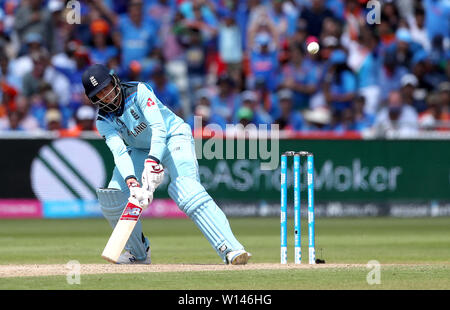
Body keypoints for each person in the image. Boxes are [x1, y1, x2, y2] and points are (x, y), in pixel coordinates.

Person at [81, 64, 251, 265]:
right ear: (94, 99)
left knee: (186, 189)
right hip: (139, 149)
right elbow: (119, 152)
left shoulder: (139, 91)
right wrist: (133, 184)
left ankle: (231, 249)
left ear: (114, 81)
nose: (106, 95)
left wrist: (152, 162)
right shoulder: (103, 120)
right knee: (113, 195)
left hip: (173, 137)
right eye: (99, 93)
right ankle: (138, 253)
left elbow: (159, 128)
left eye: (106, 87)